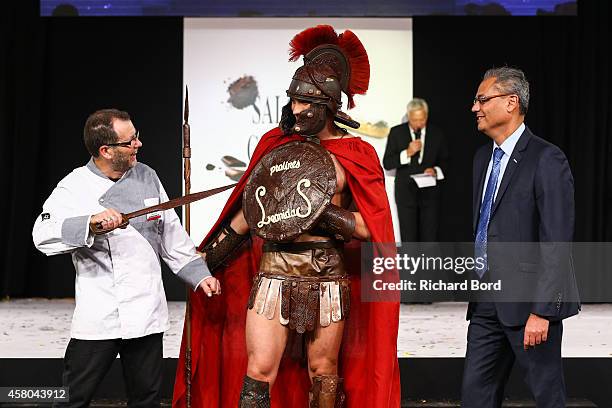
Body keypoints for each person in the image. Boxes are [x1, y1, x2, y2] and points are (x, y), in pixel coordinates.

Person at [173, 25, 400, 408]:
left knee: (323, 372)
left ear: (328, 107)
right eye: (293, 100)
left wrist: (320, 211)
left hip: (328, 279)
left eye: (306, 103)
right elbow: (249, 214)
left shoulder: (357, 155)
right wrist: (207, 261)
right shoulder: (274, 145)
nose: (295, 110)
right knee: (258, 370)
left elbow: (369, 228)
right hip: (274, 273)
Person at [32, 109, 220, 407]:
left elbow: (170, 233)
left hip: (146, 313)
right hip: (100, 316)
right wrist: (90, 223)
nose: (139, 144)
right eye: (130, 141)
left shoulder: (147, 176)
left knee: (146, 399)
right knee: (72, 398)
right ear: (105, 150)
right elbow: (42, 235)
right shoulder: (74, 186)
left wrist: (200, 275)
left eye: (137, 137)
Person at [462, 67, 580, 407]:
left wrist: (543, 311)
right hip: (486, 301)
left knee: (547, 398)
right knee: (475, 397)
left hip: (531, 305)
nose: (475, 108)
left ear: (512, 102)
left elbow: (556, 242)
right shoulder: (482, 158)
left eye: (482, 99)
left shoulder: (547, 158)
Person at [383, 98, 449, 243]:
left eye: (421, 119)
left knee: (429, 237)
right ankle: (410, 266)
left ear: (426, 116)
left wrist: (436, 171)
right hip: (405, 193)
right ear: (408, 117)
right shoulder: (396, 132)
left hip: (429, 193)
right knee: (408, 237)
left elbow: (445, 161)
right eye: (414, 120)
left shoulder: (437, 133)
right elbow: (387, 163)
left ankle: (428, 265)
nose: (418, 124)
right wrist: (407, 152)